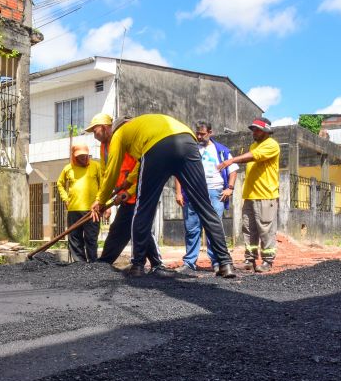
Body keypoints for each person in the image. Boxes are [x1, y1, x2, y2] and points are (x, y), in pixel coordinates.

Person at [91, 114, 236, 278]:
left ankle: (138, 265)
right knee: (205, 207)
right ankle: (225, 263)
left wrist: (100, 200)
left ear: (112, 128)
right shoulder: (146, 123)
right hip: (188, 141)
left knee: (143, 209)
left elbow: (111, 171)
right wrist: (128, 182)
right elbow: (140, 164)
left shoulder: (119, 133)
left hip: (158, 148)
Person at [85, 113, 169, 273]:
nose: (94, 136)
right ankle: (104, 263)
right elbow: (106, 174)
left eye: (95, 132)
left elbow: (141, 165)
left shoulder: (126, 139)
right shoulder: (104, 147)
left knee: (139, 227)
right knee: (120, 229)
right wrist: (102, 200)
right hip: (123, 195)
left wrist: (129, 190)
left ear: (104, 128)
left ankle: (157, 264)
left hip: (138, 191)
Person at [217, 117, 279, 273]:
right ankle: (249, 259)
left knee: (265, 229)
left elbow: (253, 156)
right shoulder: (254, 145)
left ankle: (267, 261)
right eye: (253, 129)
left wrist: (230, 161)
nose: (254, 132)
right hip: (250, 195)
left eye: (257, 129)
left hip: (265, 195)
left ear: (265, 131)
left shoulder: (271, 145)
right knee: (249, 229)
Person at [174, 120, 238, 273]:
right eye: (197, 133)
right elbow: (179, 171)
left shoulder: (221, 150)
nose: (199, 136)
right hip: (192, 193)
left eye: (202, 134)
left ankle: (217, 262)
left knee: (214, 228)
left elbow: (233, 169)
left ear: (210, 133)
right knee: (192, 228)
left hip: (215, 192)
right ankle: (189, 263)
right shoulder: (190, 149)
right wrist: (178, 192)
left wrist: (230, 188)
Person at [57, 143, 102, 262]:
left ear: (88, 155)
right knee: (75, 238)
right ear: (74, 156)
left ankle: (93, 263)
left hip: (92, 210)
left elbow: (103, 186)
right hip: (74, 209)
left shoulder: (96, 166)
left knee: (91, 238)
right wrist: (65, 199)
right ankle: (79, 264)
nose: (83, 158)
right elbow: (60, 184)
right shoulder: (68, 168)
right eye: (79, 156)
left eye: (85, 155)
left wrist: (102, 203)